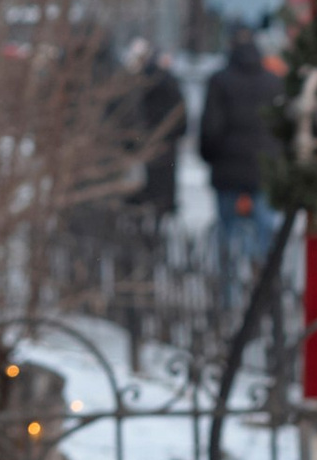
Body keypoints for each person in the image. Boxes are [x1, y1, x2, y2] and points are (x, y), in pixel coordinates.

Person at [199, 26, 278, 289]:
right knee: (264, 234)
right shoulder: (273, 82)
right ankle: (264, 290)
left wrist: (210, 157)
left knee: (227, 237)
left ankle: (228, 294)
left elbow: (210, 129)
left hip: (228, 172)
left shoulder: (220, 81)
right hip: (264, 172)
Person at [117, 36, 189, 230]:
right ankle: (154, 239)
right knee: (159, 205)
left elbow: (124, 120)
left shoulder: (130, 83)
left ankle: (141, 241)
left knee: (138, 204)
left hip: (140, 151)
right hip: (164, 151)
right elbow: (182, 120)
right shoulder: (169, 81)